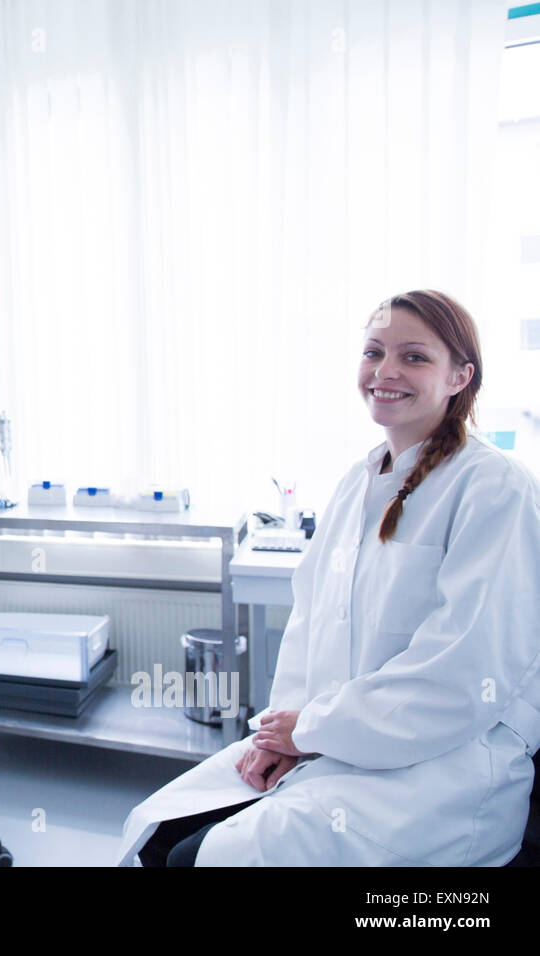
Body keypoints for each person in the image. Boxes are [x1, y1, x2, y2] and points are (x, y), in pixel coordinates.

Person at [116, 289, 540, 866]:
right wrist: (282, 735)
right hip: (335, 744)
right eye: (373, 352)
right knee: (157, 832)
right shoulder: (357, 482)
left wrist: (310, 731)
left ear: (460, 376)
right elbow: (309, 629)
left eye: (414, 357)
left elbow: (459, 675)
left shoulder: (494, 487)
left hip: (443, 768)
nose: (385, 372)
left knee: (206, 858)